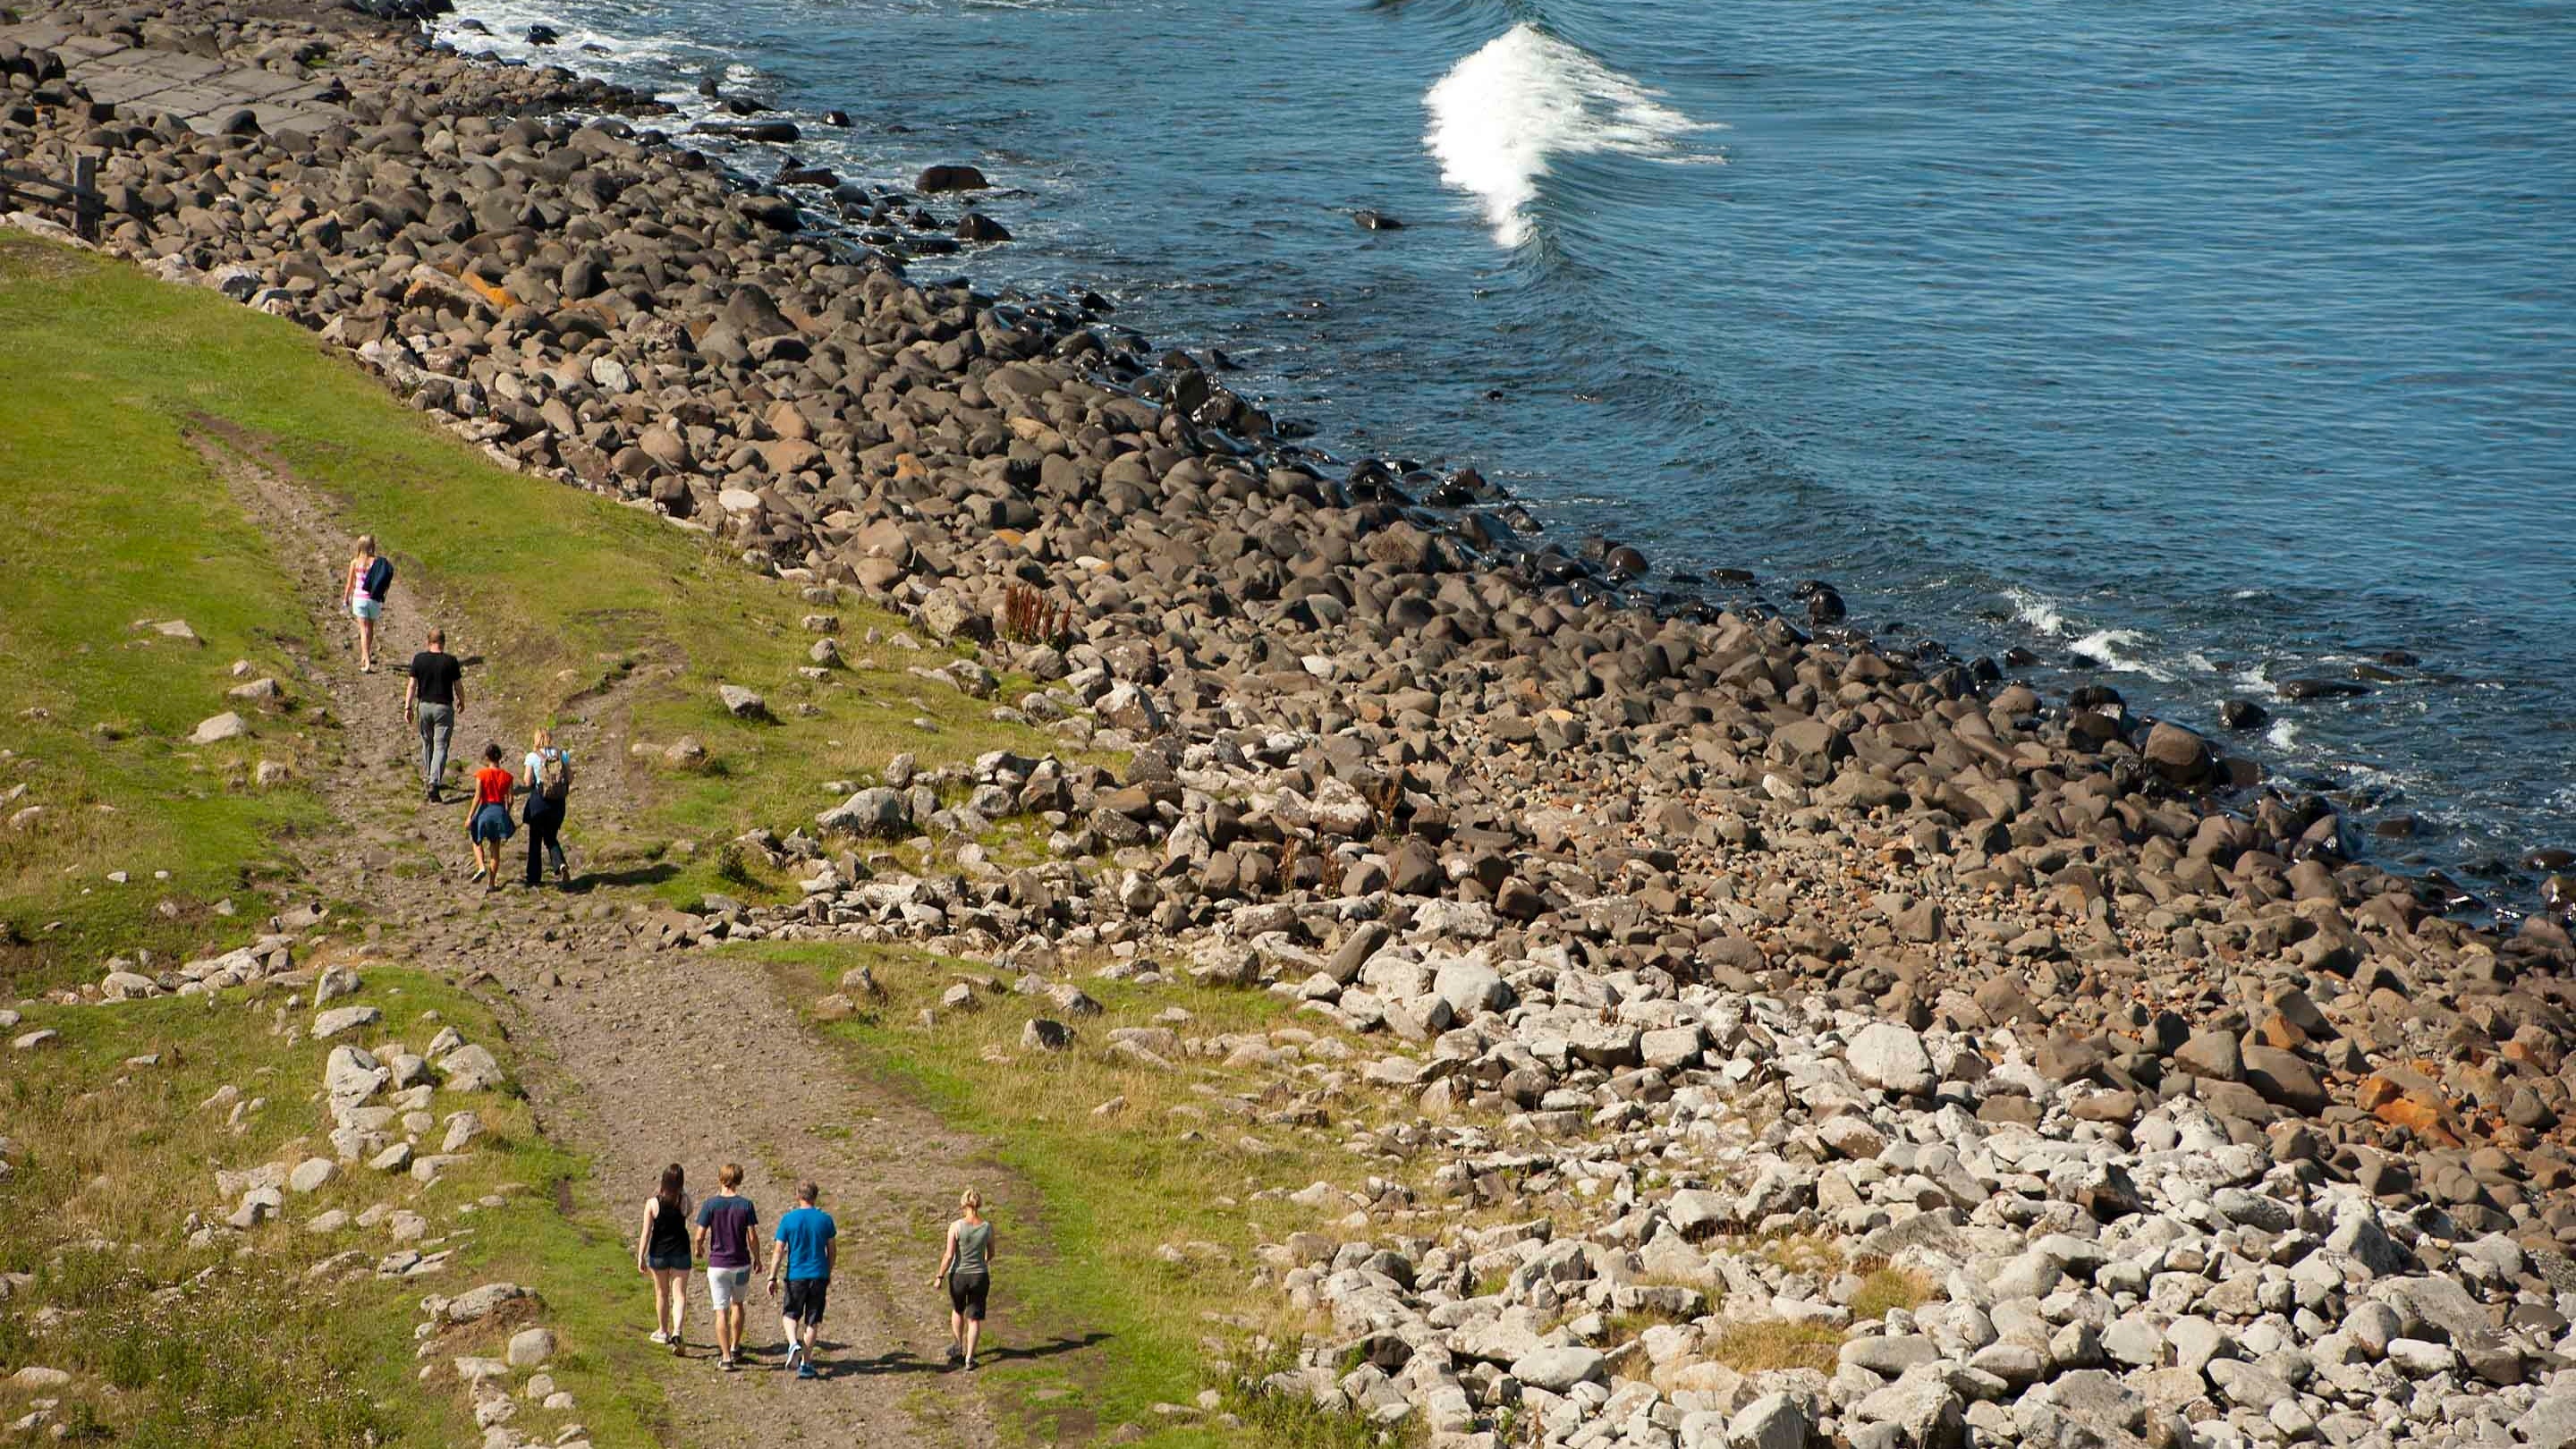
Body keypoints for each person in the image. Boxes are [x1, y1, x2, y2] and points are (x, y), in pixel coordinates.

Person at [692, 1164, 763, 1371]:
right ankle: (734, 1346)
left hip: (718, 1266)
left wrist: (698, 1249)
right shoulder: (746, 1205)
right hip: (741, 1264)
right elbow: (752, 1236)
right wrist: (757, 1258)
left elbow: (699, 1235)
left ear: (720, 1179)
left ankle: (725, 1357)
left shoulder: (710, 1205)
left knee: (720, 1311)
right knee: (738, 1304)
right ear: (739, 1180)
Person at [768, 1182, 835, 1380]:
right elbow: (832, 1251)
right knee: (813, 1320)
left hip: (796, 1275)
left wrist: (772, 1275)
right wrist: (828, 1271)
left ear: (798, 1195)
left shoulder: (788, 1220)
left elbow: (779, 1250)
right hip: (819, 1275)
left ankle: (792, 1343)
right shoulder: (826, 1220)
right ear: (815, 1196)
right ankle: (806, 1363)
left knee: (790, 1314)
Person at [929, 1188, 997, 1371]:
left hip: (958, 1276)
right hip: (980, 1277)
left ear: (963, 1204)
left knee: (958, 1310)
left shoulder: (956, 1226)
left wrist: (939, 1276)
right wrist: (981, 1262)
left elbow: (949, 1255)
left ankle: (958, 1346)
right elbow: (990, 1253)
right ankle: (970, 1358)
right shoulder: (987, 1227)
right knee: (974, 1319)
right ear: (979, 1204)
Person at [634, 1163, 693, 1356]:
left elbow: (646, 1232)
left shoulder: (652, 1203)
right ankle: (677, 1331)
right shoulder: (683, 1201)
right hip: (681, 1251)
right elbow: (689, 1211)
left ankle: (663, 1331)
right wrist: (682, 1191)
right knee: (680, 1295)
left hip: (659, 1253)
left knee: (662, 1293)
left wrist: (640, 1255)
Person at [402, 628, 465, 801]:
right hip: (443, 708)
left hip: (424, 706)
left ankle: (428, 776)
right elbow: (458, 685)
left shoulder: (419, 659)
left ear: (428, 642)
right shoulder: (451, 661)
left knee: (427, 743)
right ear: (443, 642)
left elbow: (412, 685)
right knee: (441, 746)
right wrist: (462, 700)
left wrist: (407, 707)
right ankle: (434, 782)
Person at [521, 725, 572, 889]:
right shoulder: (561, 754)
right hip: (558, 804)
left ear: (536, 739)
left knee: (535, 839)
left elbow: (528, 781)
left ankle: (534, 877)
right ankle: (560, 864)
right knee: (550, 837)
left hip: (539, 802)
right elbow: (570, 778)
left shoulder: (532, 756)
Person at [465, 743, 516, 891]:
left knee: (476, 840)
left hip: (485, 809)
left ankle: (481, 866)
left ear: (487, 758)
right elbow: (511, 799)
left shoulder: (482, 774)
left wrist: (470, 816)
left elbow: (478, 796)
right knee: (495, 849)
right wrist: (506, 812)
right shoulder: (508, 777)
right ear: (500, 757)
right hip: (499, 811)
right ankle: (492, 883)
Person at [342, 536, 393, 674]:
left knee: (362, 630)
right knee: (370, 628)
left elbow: (349, 583)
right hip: (374, 599)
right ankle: (366, 655)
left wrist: (346, 598)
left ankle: (366, 658)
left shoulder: (355, 562)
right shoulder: (376, 562)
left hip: (359, 598)